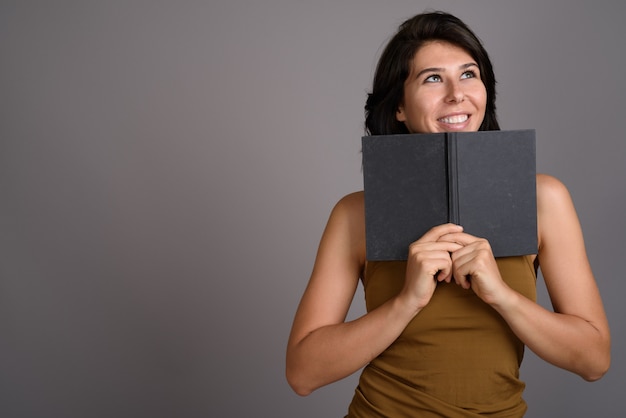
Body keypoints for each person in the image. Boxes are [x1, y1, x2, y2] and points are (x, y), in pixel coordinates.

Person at [286, 11, 610, 417]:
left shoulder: (543, 197)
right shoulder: (355, 214)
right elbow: (302, 373)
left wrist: (502, 296)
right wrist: (407, 301)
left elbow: (594, 361)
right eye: (433, 78)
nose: (457, 94)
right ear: (399, 106)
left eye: (469, 74)